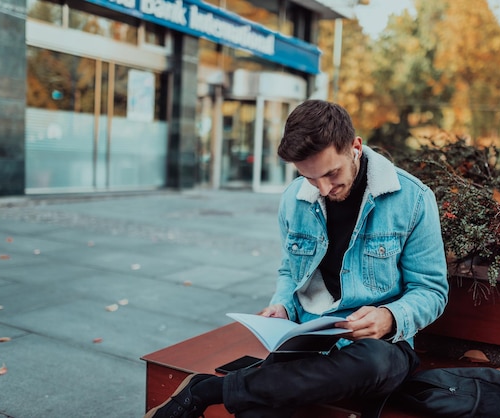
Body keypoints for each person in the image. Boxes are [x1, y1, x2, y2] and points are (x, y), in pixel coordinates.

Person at [144, 100, 449, 418]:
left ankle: (209, 390)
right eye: (310, 178)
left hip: (380, 346)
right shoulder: (294, 198)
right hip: (308, 340)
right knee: (255, 413)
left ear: (355, 147)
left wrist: (390, 316)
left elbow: (431, 290)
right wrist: (282, 305)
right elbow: (290, 269)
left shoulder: (412, 199)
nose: (324, 188)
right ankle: (233, 389)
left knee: (374, 363)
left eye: (332, 173)